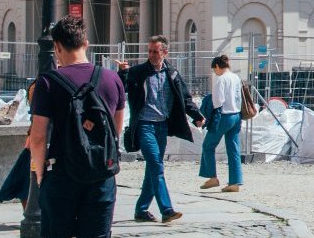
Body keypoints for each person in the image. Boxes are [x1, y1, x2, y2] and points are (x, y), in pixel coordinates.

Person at [28, 16, 126, 238]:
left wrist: (41, 174)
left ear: (57, 46)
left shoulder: (48, 82)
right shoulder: (112, 79)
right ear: (86, 44)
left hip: (62, 173)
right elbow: (115, 129)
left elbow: (38, 137)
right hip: (101, 173)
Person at [116, 36, 205, 225]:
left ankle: (141, 210)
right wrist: (122, 73)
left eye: (156, 51)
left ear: (165, 52)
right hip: (144, 125)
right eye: (149, 51)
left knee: (152, 168)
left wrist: (196, 115)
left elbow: (185, 97)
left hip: (162, 126)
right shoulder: (139, 72)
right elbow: (119, 88)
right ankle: (167, 210)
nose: (152, 55)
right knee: (156, 164)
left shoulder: (171, 73)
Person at [199, 54, 245, 192]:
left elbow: (218, 101)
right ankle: (234, 182)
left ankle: (212, 177)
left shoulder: (221, 79)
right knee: (233, 149)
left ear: (218, 66)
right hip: (236, 115)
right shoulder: (236, 77)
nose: (214, 72)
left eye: (214, 69)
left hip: (224, 116)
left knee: (208, 145)